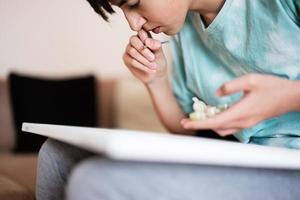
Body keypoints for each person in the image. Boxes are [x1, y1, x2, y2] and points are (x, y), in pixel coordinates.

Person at [37, 0, 300, 199]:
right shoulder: (187, 27)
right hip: (246, 160)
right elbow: (186, 128)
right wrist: (155, 80)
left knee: (94, 180)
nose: (133, 24)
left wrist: (287, 96)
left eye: (135, 3)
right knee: (57, 156)